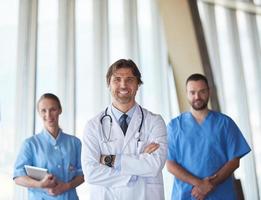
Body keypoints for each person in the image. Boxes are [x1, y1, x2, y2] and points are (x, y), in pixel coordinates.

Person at [81, 59, 167, 200]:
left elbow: (154, 166)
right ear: (108, 83)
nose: (123, 85)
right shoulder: (93, 126)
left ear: (138, 84)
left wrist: (110, 160)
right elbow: (91, 173)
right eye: (117, 79)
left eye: (129, 79)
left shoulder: (154, 121)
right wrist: (137, 168)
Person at [167, 73, 251, 200]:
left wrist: (211, 184)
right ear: (187, 93)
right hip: (186, 195)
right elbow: (170, 164)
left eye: (202, 92)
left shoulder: (225, 123)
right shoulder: (174, 126)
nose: (197, 97)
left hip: (221, 195)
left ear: (209, 92)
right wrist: (200, 184)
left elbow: (234, 161)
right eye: (192, 92)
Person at [13, 93, 84, 200]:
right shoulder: (30, 144)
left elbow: (83, 174)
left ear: (60, 110)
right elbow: (18, 177)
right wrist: (40, 184)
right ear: (39, 113)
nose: (48, 115)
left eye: (53, 109)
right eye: (43, 111)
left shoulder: (75, 143)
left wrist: (66, 186)